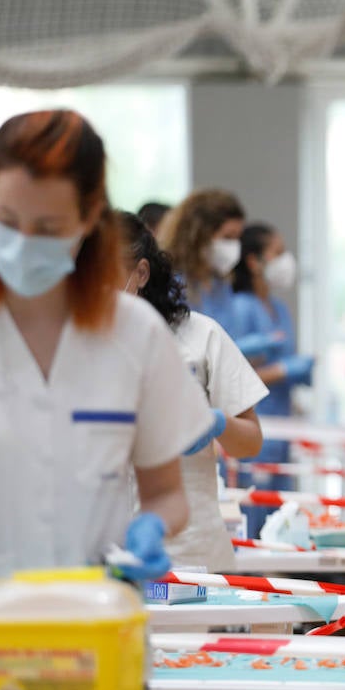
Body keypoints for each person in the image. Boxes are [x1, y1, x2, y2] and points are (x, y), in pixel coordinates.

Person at [0, 109, 211, 690]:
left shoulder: (134, 335)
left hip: (91, 645)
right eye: (7, 223)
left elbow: (165, 492)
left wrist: (150, 529)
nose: (21, 243)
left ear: (89, 219)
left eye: (48, 229)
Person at [123, 212, 267, 569]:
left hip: (190, 552)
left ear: (140, 273)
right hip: (95, 552)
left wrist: (217, 424)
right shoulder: (67, 344)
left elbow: (249, 443)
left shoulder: (200, 336)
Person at [231, 222, 314, 535]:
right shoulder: (241, 307)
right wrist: (282, 371)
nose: (285, 261)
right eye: (277, 253)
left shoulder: (278, 308)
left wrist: (297, 375)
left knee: (281, 519)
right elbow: (230, 376)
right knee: (252, 518)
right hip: (256, 425)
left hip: (281, 426)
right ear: (254, 261)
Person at [159, 188, 251, 341]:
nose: (234, 246)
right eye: (227, 237)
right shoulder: (172, 283)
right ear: (198, 235)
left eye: (237, 238)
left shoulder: (221, 284)